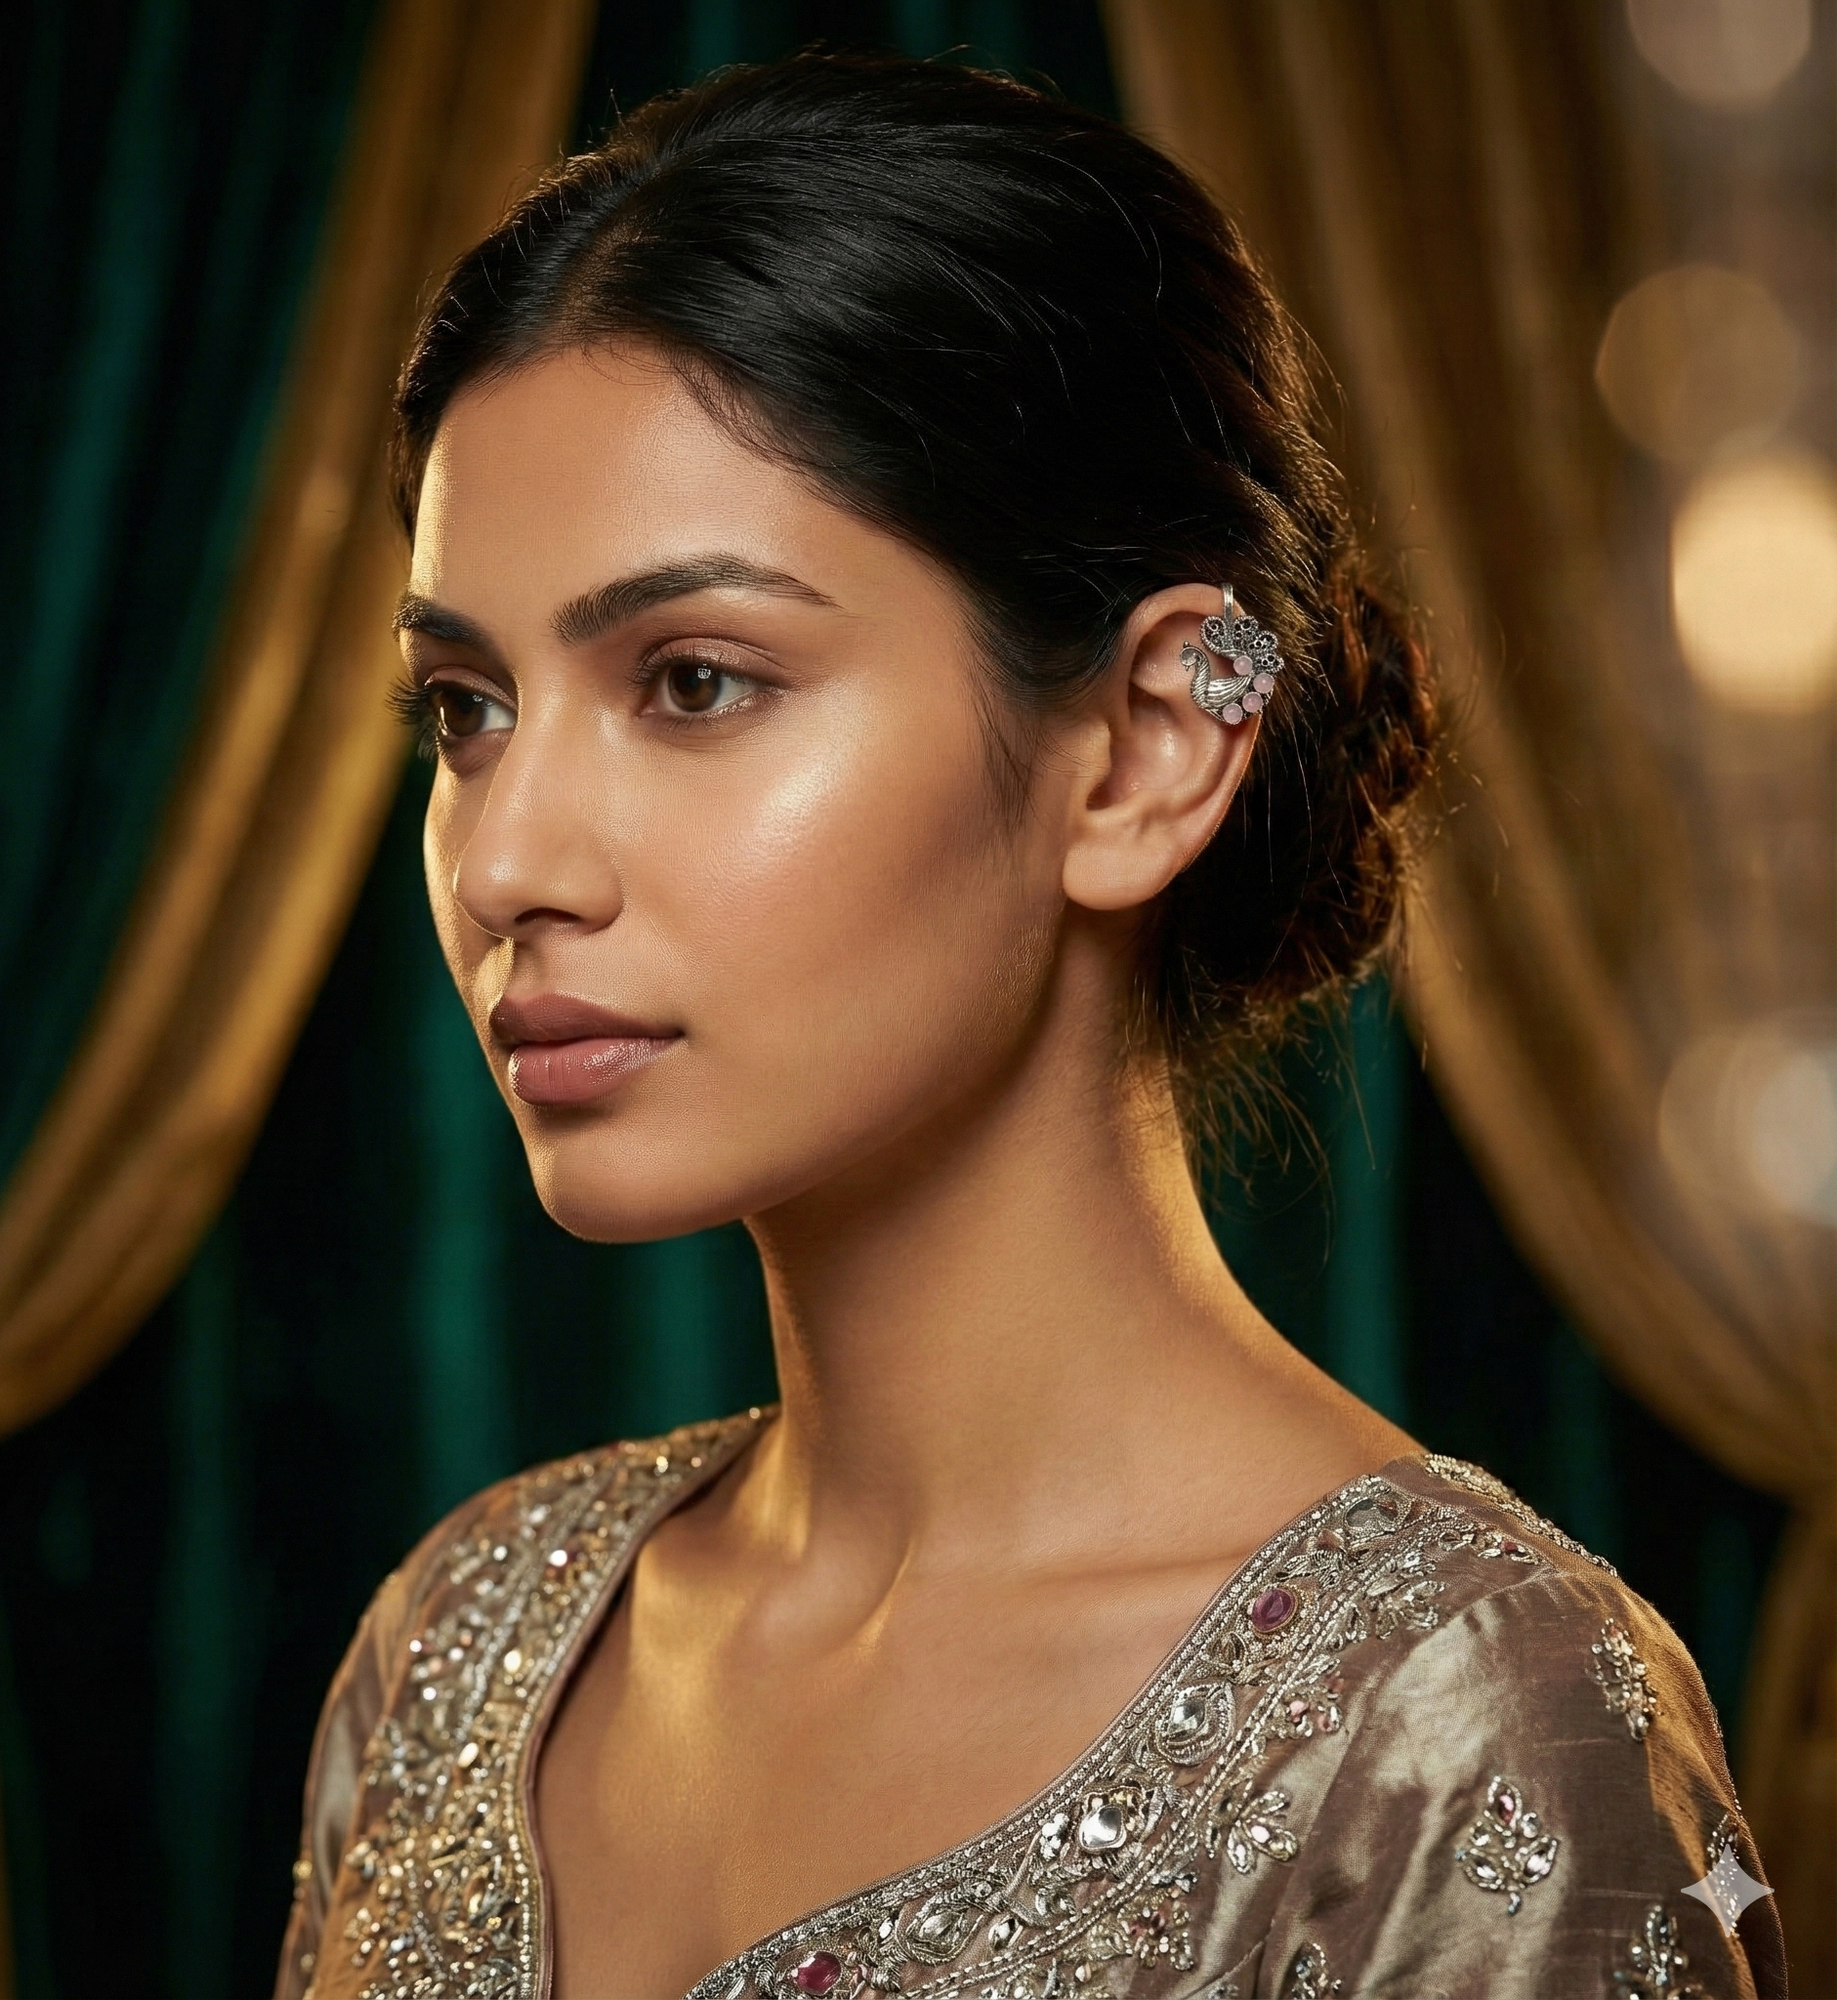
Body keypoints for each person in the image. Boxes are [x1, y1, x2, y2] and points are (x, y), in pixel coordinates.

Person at [274, 53, 1783, 2000]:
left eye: (697, 679)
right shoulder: (461, 1638)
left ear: (1148, 746)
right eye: (463, 710)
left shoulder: (1455, 1732)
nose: (505, 863)